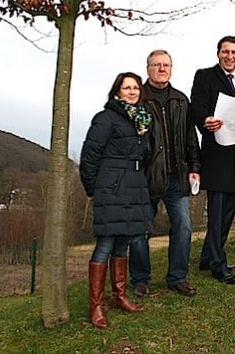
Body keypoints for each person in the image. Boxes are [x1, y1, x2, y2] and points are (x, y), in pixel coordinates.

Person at [80, 72, 152, 328]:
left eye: (135, 88)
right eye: (127, 88)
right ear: (116, 91)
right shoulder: (106, 118)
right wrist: (94, 188)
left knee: (123, 243)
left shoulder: (141, 119)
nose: (132, 91)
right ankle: (96, 305)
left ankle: (119, 296)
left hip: (133, 186)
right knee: (105, 244)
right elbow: (89, 155)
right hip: (111, 187)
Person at [129, 50, 201, 297]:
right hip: (145, 179)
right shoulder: (137, 100)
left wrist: (195, 168)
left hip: (176, 177)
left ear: (172, 68)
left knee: (183, 227)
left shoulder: (181, 100)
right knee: (139, 230)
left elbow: (191, 138)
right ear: (147, 68)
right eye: (157, 65)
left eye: (166, 65)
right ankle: (140, 279)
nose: (162, 69)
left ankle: (177, 277)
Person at [190, 35, 235, 285]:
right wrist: (204, 120)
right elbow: (196, 107)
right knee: (215, 213)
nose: (229, 56)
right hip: (216, 155)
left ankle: (208, 257)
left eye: (234, 52)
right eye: (225, 51)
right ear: (218, 53)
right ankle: (218, 264)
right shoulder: (205, 76)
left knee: (227, 213)